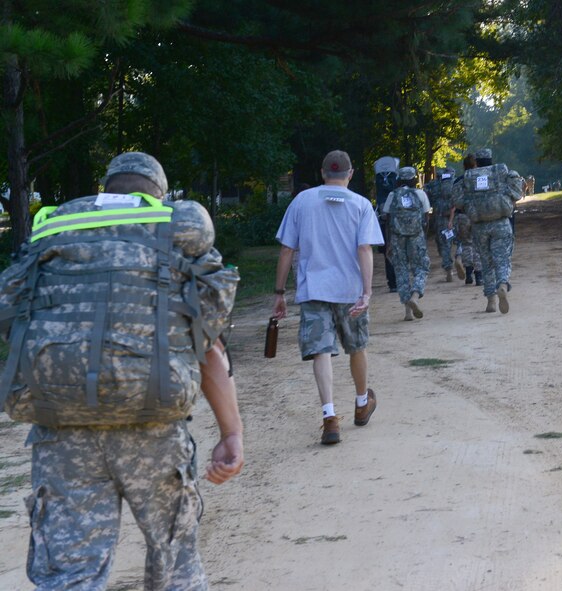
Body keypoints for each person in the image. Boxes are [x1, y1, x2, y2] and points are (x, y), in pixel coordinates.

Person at [0, 151, 243, 590]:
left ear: (106, 190)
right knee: (177, 565)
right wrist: (232, 434)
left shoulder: (57, 238)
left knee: (70, 574)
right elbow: (207, 351)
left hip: (62, 429)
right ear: (158, 195)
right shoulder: (170, 239)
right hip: (153, 426)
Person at [272, 150, 384, 445]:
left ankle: (330, 416)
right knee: (357, 347)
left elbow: (286, 250)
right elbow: (364, 250)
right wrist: (367, 292)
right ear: (351, 173)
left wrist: (279, 293)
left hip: (314, 290)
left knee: (322, 351)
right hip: (349, 290)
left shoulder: (301, 201)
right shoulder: (361, 205)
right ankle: (362, 403)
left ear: (323, 173)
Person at [452, 147, 523, 314]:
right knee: (502, 258)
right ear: (490, 159)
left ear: (476, 161)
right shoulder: (500, 171)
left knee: (486, 262)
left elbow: (458, 201)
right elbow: (517, 193)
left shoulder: (469, 177)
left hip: (479, 225)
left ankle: (491, 300)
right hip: (501, 222)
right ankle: (503, 285)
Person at [380, 166, 431, 321]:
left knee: (401, 272)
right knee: (421, 268)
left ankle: (407, 312)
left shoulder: (392, 195)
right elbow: (426, 218)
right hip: (416, 237)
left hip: (397, 238)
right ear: (414, 178)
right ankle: (415, 295)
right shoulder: (420, 194)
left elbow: (387, 220)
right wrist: (424, 238)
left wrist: (388, 242)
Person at [450, 153, 483, 286]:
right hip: (477, 214)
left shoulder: (458, 181)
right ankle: (479, 275)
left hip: (462, 216)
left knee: (467, 245)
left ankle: (468, 274)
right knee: (478, 245)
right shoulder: (481, 179)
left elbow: (454, 200)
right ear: (476, 164)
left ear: (464, 166)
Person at [423, 167, 457, 282]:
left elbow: (427, 201)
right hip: (456, 216)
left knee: (445, 245)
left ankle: (449, 270)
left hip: (441, 217)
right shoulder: (455, 182)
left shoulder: (432, 185)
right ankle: (459, 257)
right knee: (462, 241)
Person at [373, 156, 400, 292]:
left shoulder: (379, 178)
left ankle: (392, 283)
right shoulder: (395, 180)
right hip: (399, 223)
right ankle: (401, 280)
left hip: (385, 221)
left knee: (388, 252)